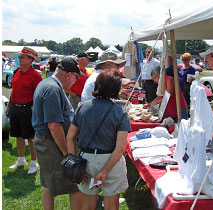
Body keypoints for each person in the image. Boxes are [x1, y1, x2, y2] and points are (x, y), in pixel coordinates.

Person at [67, 69, 131, 210]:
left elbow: (70, 137)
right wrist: (105, 171)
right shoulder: (120, 112)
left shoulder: (82, 108)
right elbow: (120, 148)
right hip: (112, 161)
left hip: (87, 159)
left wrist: (75, 163)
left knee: (88, 205)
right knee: (111, 205)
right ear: (116, 89)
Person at [32, 57, 85, 210]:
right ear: (68, 75)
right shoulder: (53, 89)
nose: (75, 81)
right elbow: (54, 125)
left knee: (49, 185)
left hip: (48, 143)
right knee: (75, 185)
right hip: (51, 144)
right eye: (76, 77)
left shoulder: (49, 84)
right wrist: (67, 154)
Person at [6, 47, 42, 174]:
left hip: (28, 109)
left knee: (30, 138)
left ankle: (33, 162)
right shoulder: (17, 72)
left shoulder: (35, 75)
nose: (20, 59)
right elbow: (14, 91)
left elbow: (39, 93)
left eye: (22, 57)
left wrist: (34, 107)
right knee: (18, 136)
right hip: (15, 108)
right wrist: (9, 105)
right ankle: (21, 159)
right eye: (20, 57)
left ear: (30, 60)